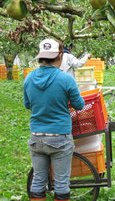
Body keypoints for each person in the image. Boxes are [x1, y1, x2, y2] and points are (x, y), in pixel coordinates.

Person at [24, 39, 85, 201]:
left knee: (38, 180)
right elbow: (79, 105)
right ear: (60, 55)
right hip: (60, 138)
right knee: (61, 184)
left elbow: (27, 104)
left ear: (40, 57)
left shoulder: (29, 79)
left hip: (36, 136)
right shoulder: (66, 79)